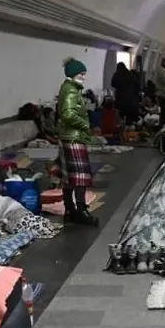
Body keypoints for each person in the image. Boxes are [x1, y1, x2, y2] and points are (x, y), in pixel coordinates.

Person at [57, 58, 101, 226]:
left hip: (67, 136)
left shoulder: (68, 88)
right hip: (73, 137)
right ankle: (81, 210)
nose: (84, 76)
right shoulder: (71, 91)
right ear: (73, 73)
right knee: (80, 176)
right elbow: (68, 114)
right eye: (81, 73)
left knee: (68, 177)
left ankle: (70, 210)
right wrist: (84, 125)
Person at [110, 62, 140, 126]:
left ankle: (122, 127)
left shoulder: (117, 74)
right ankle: (129, 127)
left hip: (120, 99)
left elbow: (113, 84)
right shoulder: (130, 74)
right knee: (129, 115)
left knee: (121, 115)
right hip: (130, 99)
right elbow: (136, 85)